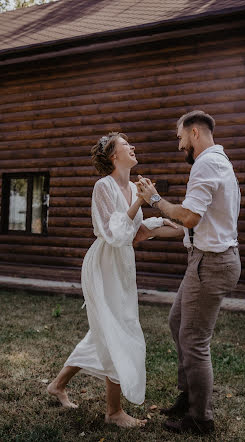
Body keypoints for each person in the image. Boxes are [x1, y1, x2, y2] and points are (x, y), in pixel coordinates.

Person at [47, 132, 180, 428]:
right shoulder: (102, 187)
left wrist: (171, 227)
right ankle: (114, 412)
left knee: (104, 331)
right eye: (125, 145)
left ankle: (57, 385)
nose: (132, 147)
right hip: (103, 263)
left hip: (122, 264)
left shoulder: (134, 189)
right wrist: (139, 204)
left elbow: (133, 233)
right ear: (112, 156)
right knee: (118, 329)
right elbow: (114, 232)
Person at [136, 110, 241, 436]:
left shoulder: (206, 164)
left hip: (211, 263)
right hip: (208, 258)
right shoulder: (218, 162)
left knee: (194, 340)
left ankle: (200, 418)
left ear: (194, 132)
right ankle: (188, 396)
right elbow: (193, 223)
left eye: (180, 137)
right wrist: (154, 231)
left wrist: (155, 200)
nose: (180, 145)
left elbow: (191, 217)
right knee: (178, 323)